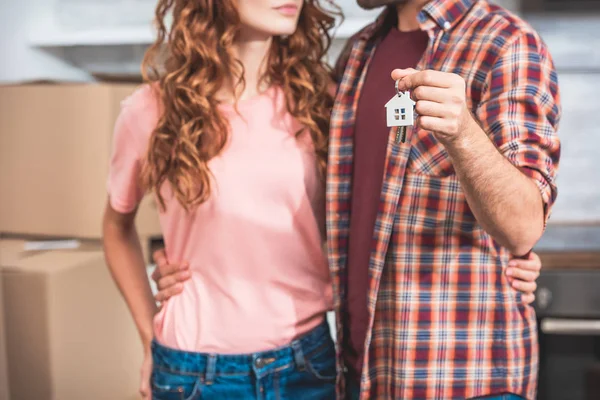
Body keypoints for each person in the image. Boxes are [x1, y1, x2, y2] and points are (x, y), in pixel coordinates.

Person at [151, 0, 559, 399]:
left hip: (462, 375)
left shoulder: (505, 43)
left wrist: (464, 135)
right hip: (364, 371)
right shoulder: (359, 52)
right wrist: (193, 268)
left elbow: (522, 228)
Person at [102, 1, 340, 399]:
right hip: (195, 373)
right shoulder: (150, 111)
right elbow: (115, 227)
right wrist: (148, 335)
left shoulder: (320, 102)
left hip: (307, 364)